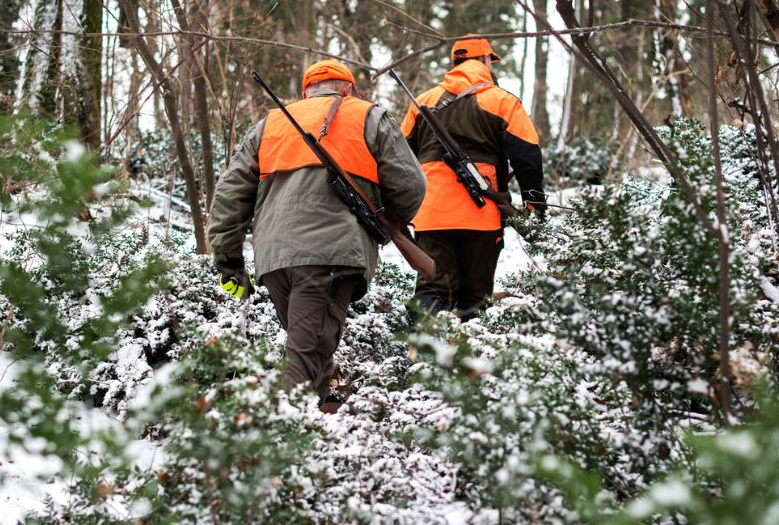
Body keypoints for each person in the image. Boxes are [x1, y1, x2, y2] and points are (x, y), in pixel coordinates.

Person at [208, 60, 426, 411]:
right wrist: (390, 221)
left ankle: (325, 427)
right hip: (330, 256)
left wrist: (228, 258)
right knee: (304, 361)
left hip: (274, 261)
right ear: (349, 89)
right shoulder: (369, 116)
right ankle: (281, 446)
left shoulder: (270, 124)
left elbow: (230, 193)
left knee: (310, 351)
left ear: (306, 92)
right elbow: (411, 184)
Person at [400, 36, 546, 320]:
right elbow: (528, 158)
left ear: (454, 63)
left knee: (433, 289)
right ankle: (468, 357)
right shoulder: (503, 101)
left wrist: (401, 209)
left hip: (431, 214)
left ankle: (423, 354)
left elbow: (400, 159)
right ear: (485, 60)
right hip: (482, 215)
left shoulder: (423, 101)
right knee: (475, 299)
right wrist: (534, 210)